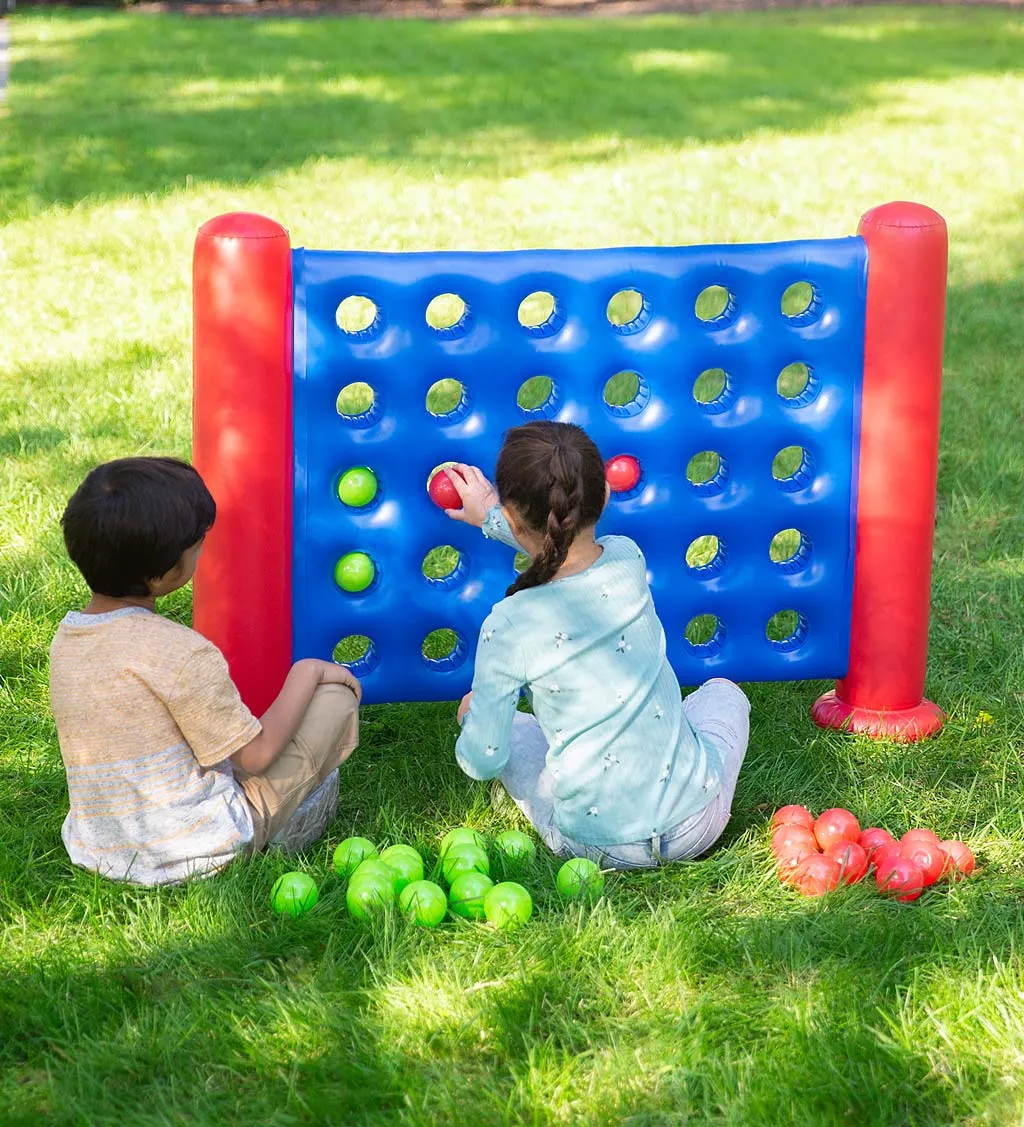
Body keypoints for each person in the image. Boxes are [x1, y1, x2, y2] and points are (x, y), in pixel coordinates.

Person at [445, 421, 749, 870]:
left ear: (514, 517)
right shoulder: (627, 556)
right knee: (723, 692)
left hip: (595, 848)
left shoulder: (509, 624)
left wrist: (471, 729)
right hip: (696, 825)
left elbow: (485, 761)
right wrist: (497, 515)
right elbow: (560, 546)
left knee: (481, 713)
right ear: (604, 495)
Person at [49, 456, 360, 886]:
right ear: (163, 575)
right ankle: (284, 830)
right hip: (199, 849)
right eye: (196, 544)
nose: (201, 550)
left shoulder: (66, 642)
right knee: (334, 700)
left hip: (101, 848)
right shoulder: (182, 653)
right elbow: (255, 756)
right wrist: (304, 672)